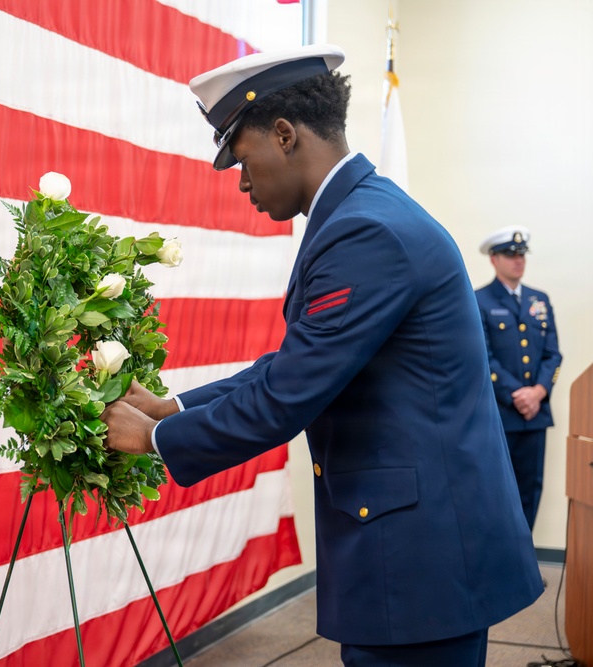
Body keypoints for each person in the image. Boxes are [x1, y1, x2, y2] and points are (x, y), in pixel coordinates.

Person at [102, 44, 543, 666]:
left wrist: (153, 440)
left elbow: (287, 396)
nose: (243, 181)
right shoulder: (362, 214)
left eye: (242, 159)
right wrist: (171, 407)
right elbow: (294, 366)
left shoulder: (366, 231)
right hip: (416, 549)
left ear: (284, 134)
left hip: (418, 561)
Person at [475, 227, 562, 531]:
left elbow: (553, 355)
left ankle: (526, 568)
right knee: (496, 492)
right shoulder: (479, 300)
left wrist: (538, 392)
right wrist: (518, 394)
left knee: (530, 490)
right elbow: (482, 359)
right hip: (501, 413)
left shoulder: (539, 300)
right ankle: (501, 569)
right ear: (494, 259)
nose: (518, 261)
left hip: (535, 415)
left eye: (522, 254)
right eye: (511, 255)